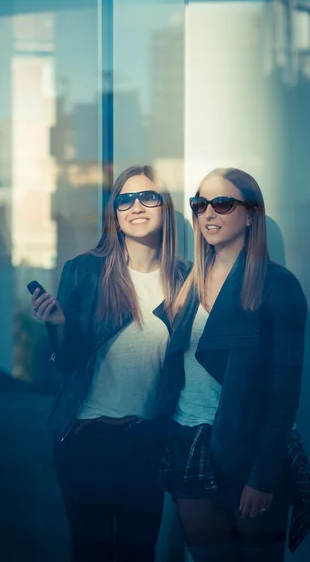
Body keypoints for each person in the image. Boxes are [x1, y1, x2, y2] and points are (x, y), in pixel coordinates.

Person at [155, 168, 310, 562]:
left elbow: (284, 395)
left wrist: (263, 476)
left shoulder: (277, 286)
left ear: (250, 214)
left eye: (223, 203)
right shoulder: (186, 284)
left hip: (248, 451)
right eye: (200, 205)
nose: (208, 214)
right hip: (188, 444)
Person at [30, 165, 192, 562]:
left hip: (147, 444)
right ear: (114, 215)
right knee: (91, 551)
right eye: (125, 199)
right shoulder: (85, 271)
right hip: (87, 439)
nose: (136, 206)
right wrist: (59, 329)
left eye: (148, 197)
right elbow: (65, 364)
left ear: (165, 209)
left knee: (139, 551)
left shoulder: (185, 279)